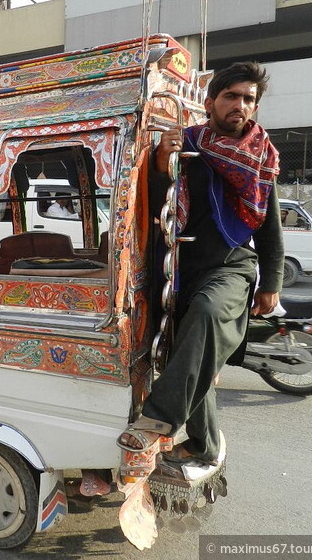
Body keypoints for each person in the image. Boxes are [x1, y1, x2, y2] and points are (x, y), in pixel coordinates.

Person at [118, 62, 284, 468]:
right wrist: (160, 164)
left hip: (231, 265)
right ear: (210, 103)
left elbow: (269, 224)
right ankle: (203, 444)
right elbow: (157, 207)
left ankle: (158, 419)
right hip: (178, 268)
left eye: (248, 99)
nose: (240, 105)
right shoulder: (186, 143)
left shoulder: (261, 157)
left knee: (207, 316)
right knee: (193, 353)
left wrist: (271, 282)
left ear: (255, 108)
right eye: (231, 96)